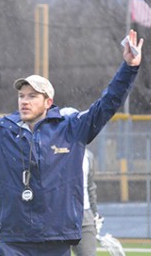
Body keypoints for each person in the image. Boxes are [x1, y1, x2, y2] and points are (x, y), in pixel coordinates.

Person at [0, 27, 143, 256]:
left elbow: (107, 104)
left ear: (48, 102)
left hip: (57, 240)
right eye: (21, 96)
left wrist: (130, 68)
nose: (24, 101)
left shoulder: (72, 129)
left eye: (32, 96)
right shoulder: (1, 131)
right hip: (14, 241)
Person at [60, 107, 102, 256]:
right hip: (57, 216)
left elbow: (90, 187)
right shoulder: (50, 152)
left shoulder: (88, 155)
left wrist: (95, 214)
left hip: (84, 215)